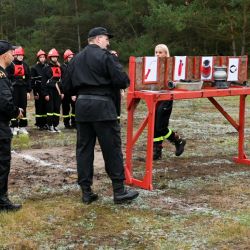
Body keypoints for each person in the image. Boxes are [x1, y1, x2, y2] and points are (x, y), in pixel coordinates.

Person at [63, 27, 139, 204]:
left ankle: (86, 191)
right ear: (97, 39)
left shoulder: (75, 59)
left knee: (84, 150)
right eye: (106, 39)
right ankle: (119, 191)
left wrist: (82, 90)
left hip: (82, 107)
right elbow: (123, 80)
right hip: (102, 106)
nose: (108, 42)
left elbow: (66, 86)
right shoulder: (106, 57)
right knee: (111, 148)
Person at [0, 40, 23, 212]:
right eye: (11, 52)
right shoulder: (1, 76)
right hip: (0, 128)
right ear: (4, 55)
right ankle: (2, 202)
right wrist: (16, 112)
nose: (13, 55)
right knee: (2, 164)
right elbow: (4, 103)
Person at [153, 44, 186, 160]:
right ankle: (157, 151)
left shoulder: (171, 66)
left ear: (166, 54)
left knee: (160, 127)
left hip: (167, 97)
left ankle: (178, 140)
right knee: (154, 126)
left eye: (160, 52)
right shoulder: (153, 65)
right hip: (155, 97)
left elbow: (178, 79)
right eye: (156, 52)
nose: (158, 54)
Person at [6, 46, 31, 135]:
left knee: (23, 106)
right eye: (19, 55)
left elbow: (28, 78)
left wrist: (28, 91)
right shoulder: (10, 65)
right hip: (14, 89)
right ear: (15, 55)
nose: (21, 56)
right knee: (15, 106)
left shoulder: (25, 65)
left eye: (22, 55)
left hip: (23, 89)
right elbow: (7, 77)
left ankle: (22, 126)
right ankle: (14, 126)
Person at [41, 48, 64, 133]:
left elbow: (61, 81)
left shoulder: (59, 67)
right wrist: (45, 94)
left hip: (58, 91)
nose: (55, 58)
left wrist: (62, 92)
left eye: (56, 57)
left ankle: (55, 125)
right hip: (50, 91)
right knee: (50, 109)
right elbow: (43, 83)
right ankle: (50, 125)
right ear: (50, 58)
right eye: (53, 57)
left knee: (57, 108)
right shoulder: (46, 68)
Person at [30, 49, 48, 130]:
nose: (42, 59)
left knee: (46, 107)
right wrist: (35, 92)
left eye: (43, 57)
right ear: (38, 58)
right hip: (38, 90)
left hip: (46, 90)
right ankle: (39, 123)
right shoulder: (34, 68)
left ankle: (45, 123)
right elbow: (32, 81)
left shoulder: (47, 67)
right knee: (39, 107)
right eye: (40, 57)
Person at [61, 49, 76, 129]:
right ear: (66, 58)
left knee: (75, 108)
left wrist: (75, 93)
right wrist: (62, 92)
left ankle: (74, 122)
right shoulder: (61, 67)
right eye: (70, 57)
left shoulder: (75, 66)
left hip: (73, 91)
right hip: (65, 92)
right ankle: (66, 123)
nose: (71, 58)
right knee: (66, 108)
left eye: (72, 57)